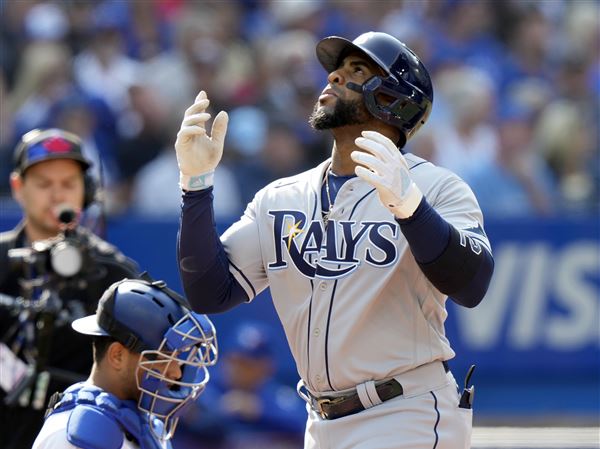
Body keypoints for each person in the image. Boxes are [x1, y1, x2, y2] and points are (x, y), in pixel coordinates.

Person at [175, 31, 495, 449]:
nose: (333, 79)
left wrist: (411, 208)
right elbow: (210, 292)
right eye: (335, 70)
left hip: (406, 411)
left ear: (395, 98)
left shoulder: (435, 188)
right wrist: (196, 185)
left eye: (356, 70)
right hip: (319, 420)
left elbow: (473, 285)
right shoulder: (280, 197)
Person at [0, 128, 140, 449]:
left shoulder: (113, 271)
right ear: (18, 188)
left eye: (68, 184)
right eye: (44, 184)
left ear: (87, 191)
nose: (57, 195)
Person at [32, 277, 218, 449]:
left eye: (178, 359)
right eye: (164, 358)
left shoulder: (142, 425)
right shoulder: (75, 436)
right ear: (117, 355)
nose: (176, 373)